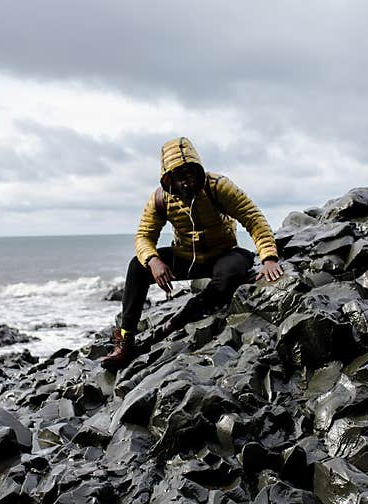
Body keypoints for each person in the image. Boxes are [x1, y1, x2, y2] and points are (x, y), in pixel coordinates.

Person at [101, 137, 284, 371]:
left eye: (190, 175)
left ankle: (183, 316)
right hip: (187, 258)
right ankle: (126, 341)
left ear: (199, 171)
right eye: (178, 177)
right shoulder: (160, 199)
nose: (186, 182)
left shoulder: (218, 186)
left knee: (231, 274)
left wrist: (269, 258)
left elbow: (253, 218)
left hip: (223, 254)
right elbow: (143, 237)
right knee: (137, 266)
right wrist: (154, 260)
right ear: (169, 180)